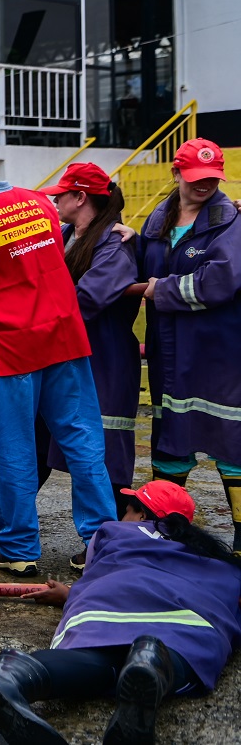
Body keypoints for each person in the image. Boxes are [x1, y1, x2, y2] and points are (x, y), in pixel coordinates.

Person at [0, 143, 116, 576]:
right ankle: (103, 542)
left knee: (14, 448)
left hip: (9, 344)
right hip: (64, 336)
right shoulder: (39, 204)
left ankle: (19, 547)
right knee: (83, 440)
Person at [0, 480, 241, 745]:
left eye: (127, 510)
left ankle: (12, 676)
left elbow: (100, 576)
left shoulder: (114, 532)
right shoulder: (216, 558)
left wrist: (72, 595)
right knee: (176, 657)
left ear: (142, 514)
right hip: (182, 623)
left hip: (105, 612)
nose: (123, 516)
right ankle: (151, 662)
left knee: (101, 663)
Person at [136, 138, 241, 552]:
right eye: (196, 178)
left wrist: (161, 289)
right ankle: (164, 532)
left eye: (212, 178)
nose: (204, 185)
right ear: (177, 174)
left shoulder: (231, 222)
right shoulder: (155, 222)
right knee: (171, 437)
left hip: (218, 350)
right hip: (169, 348)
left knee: (230, 439)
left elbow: (221, 281)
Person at [40, 162, 141, 524]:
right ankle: (13, 526)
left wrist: (32, 313)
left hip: (105, 360)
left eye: (60, 196)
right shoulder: (67, 236)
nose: (55, 203)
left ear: (80, 197)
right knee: (42, 439)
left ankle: (106, 537)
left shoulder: (114, 244)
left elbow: (87, 300)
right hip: (64, 357)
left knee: (104, 451)